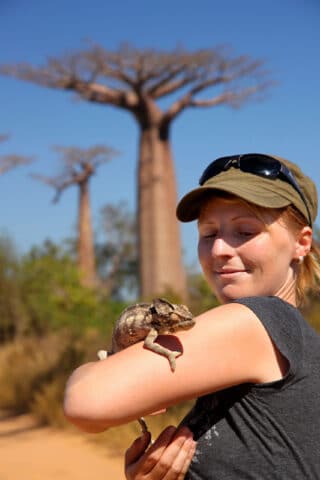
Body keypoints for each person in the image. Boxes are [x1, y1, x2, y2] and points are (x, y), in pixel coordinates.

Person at [64, 153, 320, 479]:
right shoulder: (302, 345)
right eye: (209, 234)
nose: (219, 250)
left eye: (245, 231)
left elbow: (84, 403)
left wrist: (96, 368)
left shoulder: (258, 319)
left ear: (301, 243)